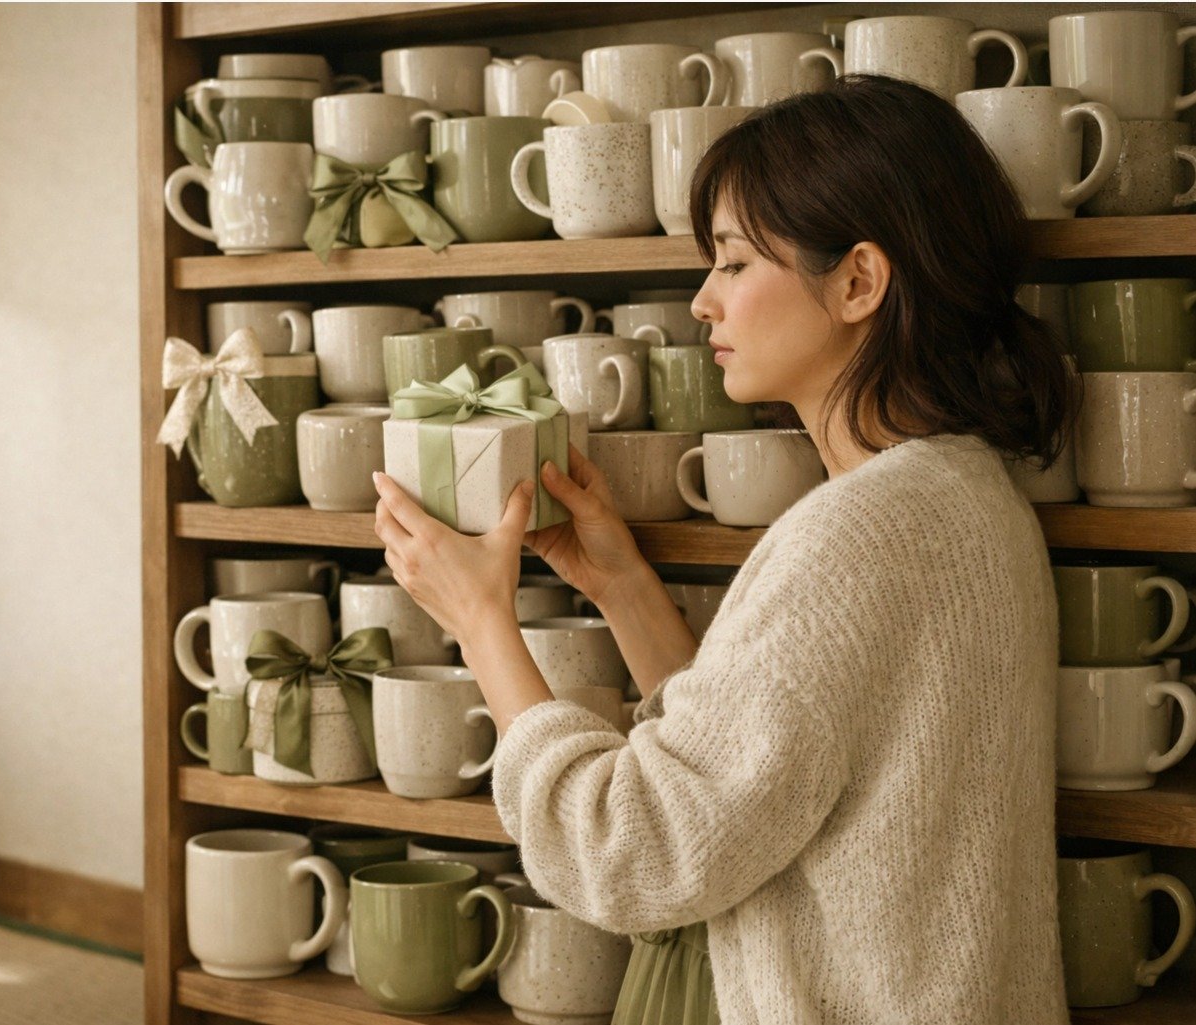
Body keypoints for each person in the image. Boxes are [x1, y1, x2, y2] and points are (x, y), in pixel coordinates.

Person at [370, 75, 1078, 1025]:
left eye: (735, 264)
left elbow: (633, 852)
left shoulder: (853, 537)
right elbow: (767, 782)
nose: (701, 302)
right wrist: (617, 583)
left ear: (859, 281)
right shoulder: (965, 496)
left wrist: (479, 622)